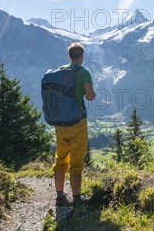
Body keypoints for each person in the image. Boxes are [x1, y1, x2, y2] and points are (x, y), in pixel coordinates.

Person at [53, 42, 95, 207]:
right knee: (76, 160)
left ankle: (59, 197)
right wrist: (91, 93)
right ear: (82, 57)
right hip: (77, 121)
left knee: (61, 158)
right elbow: (90, 96)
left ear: (70, 56)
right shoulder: (84, 73)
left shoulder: (61, 71)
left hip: (60, 122)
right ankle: (77, 199)